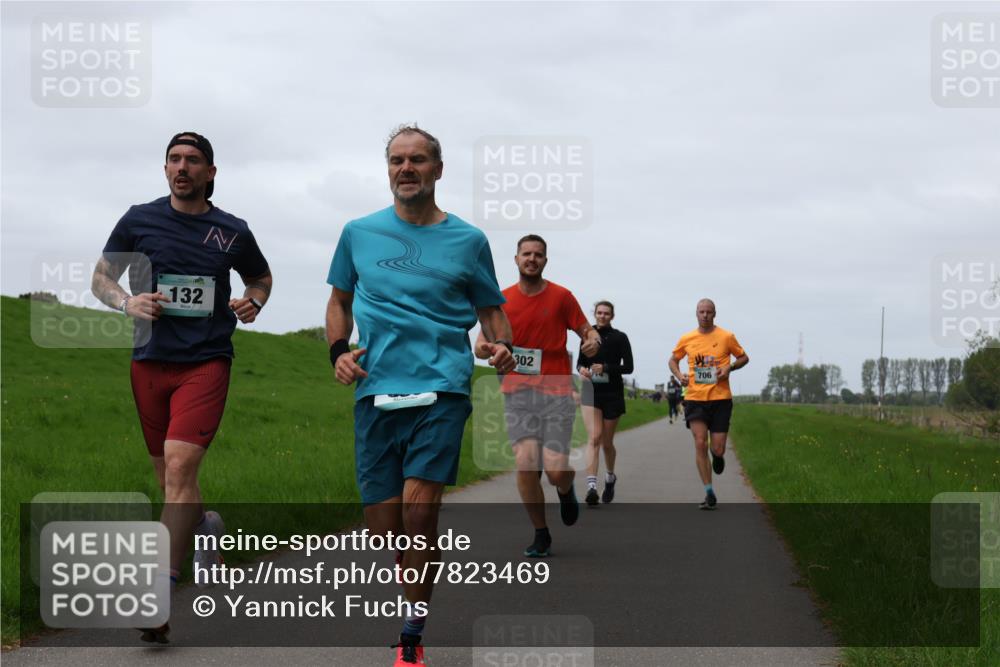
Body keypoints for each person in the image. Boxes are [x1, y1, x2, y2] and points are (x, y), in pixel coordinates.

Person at [327, 125, 513, 666]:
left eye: (417, 159)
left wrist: (500, 346)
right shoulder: (358, 232)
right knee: (384, 524)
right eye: (396, 160)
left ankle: (412, 629)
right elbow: (338, 300)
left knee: (419, 508)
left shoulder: (469, 241)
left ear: (438, 168)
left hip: (442, 387)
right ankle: (412, 586)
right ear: (387, 169)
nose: (406, 168)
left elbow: (492, 313)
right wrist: (338, 349)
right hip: (376, 389)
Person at [91, 132, 272, 643]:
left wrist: (254, 301)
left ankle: (157, 599)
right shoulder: (139, 219)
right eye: (174, 159)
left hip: (206, 360)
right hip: (149, 362)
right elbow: (102, 276)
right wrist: (126, 302)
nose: (182, 167)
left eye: (193, 160)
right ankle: (205, 525)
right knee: (171, 483)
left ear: (211, 172)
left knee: (178, 466)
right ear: (165, 168)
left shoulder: (231, 230)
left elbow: (260, 277)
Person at [476, 235, 600, 557]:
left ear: (546, 260)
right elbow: (479, 344)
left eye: (538, 254)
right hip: (517, 394)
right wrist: (488, 348)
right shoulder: (500, 300)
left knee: (556, 469)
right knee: (526, 463)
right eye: (526, 254)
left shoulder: (561, 297)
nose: (532, 259)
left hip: (557, 393)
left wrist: (592, 340)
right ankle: (541, 532)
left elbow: (588, 331)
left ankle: (564, 487)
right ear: (516, 259)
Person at [668, 299, 748, 510]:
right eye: (701, 312)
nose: (705, 315)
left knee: (718, 448)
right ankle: (709, 492)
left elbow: (744, 357)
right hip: (695, 398)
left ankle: (718, 456)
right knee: (700, 442)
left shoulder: (726, 336)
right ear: (696, 314)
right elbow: (673, 360)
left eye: (708, 312)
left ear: (715, 314)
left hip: (721, 399)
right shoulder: (687, 338)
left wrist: (729, 368)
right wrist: (679, 376)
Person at [577, 301, 633, 506]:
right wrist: (582, 370)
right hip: (590, 392)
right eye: (599, 313)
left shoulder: (620, 337)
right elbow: (580, 361)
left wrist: (606, 367)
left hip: (612, 393)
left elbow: (629, 367)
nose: (602, 316)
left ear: (612, 316)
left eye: (606, 313)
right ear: (595, 314)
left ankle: (610, 477)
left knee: (607, 443)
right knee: (594, 437)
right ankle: (591, 487)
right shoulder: (587, 335)